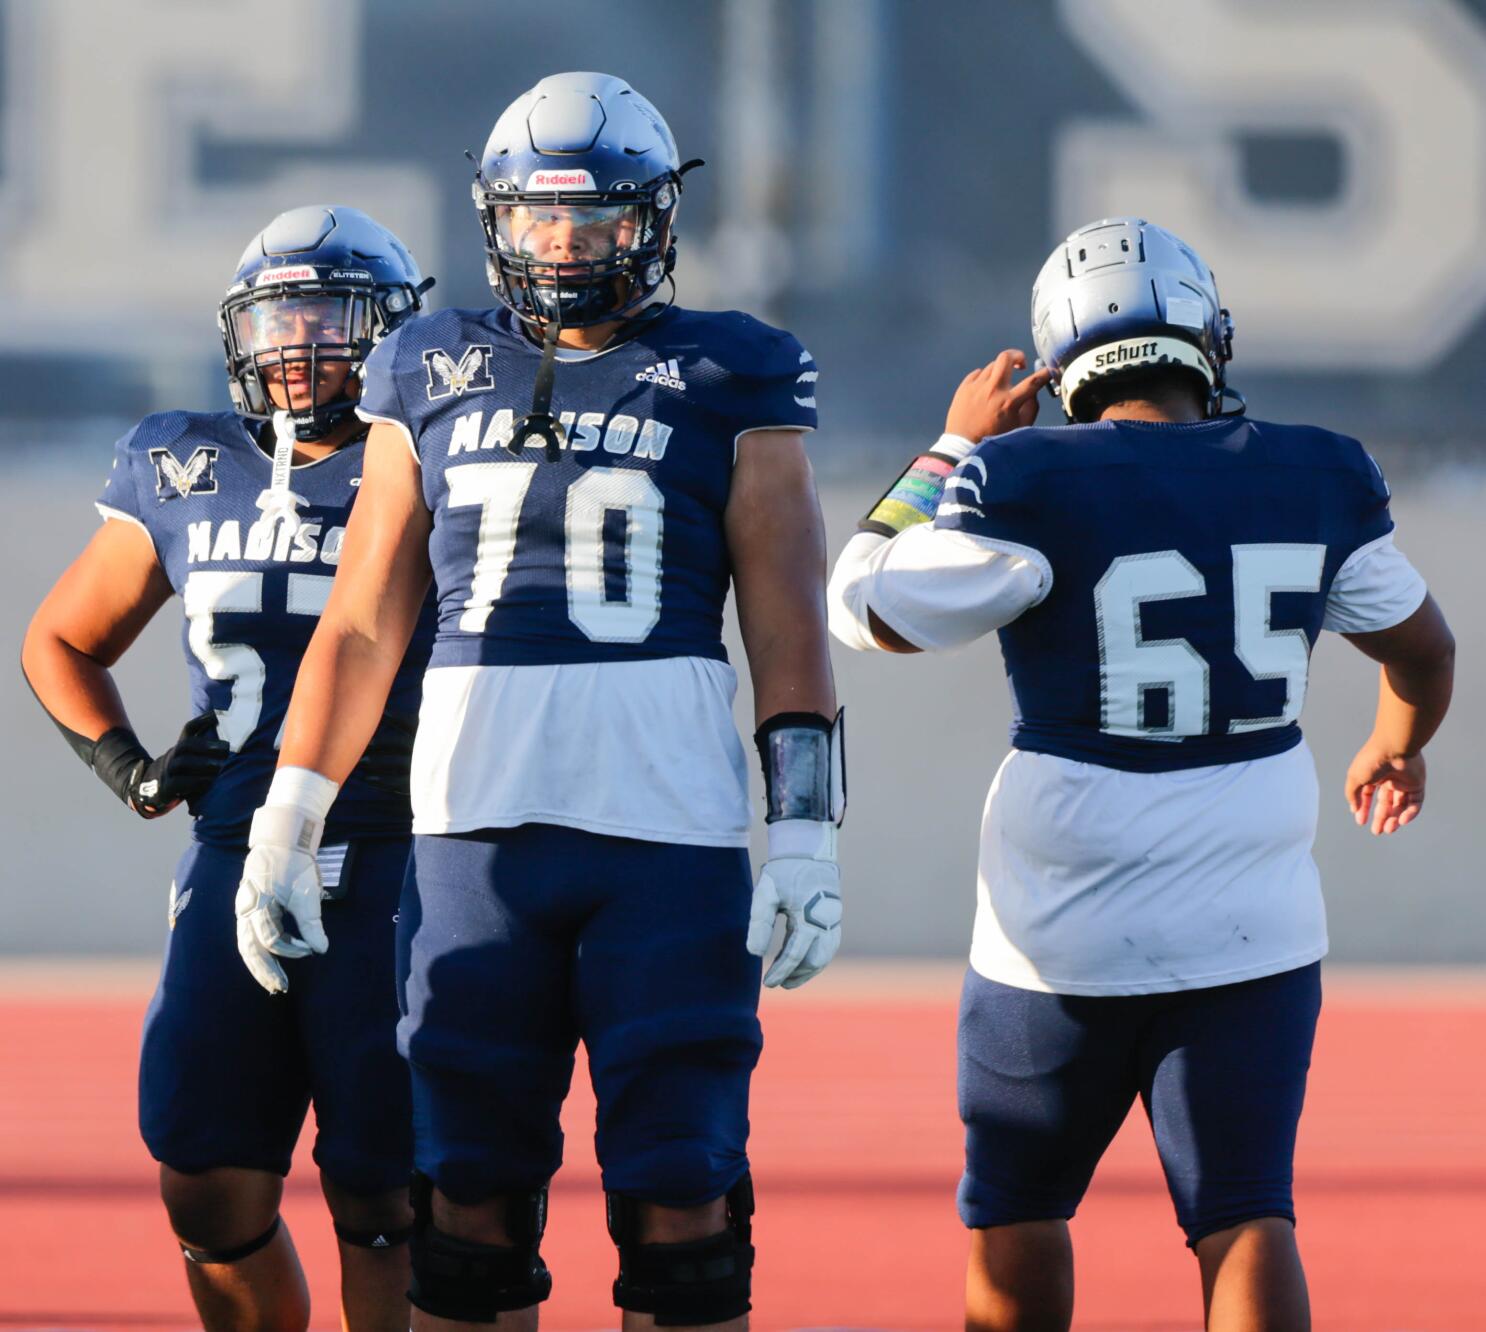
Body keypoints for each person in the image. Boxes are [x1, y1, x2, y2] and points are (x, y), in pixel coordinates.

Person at [232, 73, 842, 1330]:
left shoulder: (735, 370)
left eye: (596, 219)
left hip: (664, 831)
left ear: (654, 221)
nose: (564, 246)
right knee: (466, 1198)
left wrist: (807, 831)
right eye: (538, 219)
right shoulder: (426, 363)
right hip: (475, 832)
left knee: (683, 1197)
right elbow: (360, 620)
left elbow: (786, 619)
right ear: (495, 219)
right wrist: (286, 822)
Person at [828, 217, 1454, 1332]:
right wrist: (1396, 742)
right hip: (1251, 910)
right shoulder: (1315, 472)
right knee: (1246, 1214)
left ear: (1063, 360)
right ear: (1204, 338)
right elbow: (1424, 649)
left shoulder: (1019, 479)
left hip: (1057, 911)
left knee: (1017, 1206)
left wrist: (944, 450)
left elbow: (860, 605)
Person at [22, 204, 436, 1332]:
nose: (301, 344)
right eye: (279, 317)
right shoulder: (183, 461)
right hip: (232, 846)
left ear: (395, 332)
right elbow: (61, 638)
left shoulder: (440, 459)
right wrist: (129, 768)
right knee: (204, 1174)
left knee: (385, 1186)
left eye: (332, 318)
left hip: (396, 852)